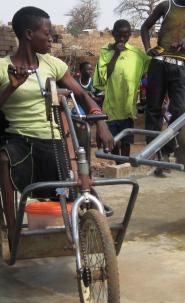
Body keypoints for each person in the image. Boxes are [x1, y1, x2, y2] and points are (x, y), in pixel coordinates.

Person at [0, 6, 114, 243]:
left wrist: (100, 120)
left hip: (52, 139)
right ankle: (12, 230)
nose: (51, 39)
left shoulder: (52, 64)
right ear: (29, 34)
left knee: (74, 180)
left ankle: (87, 227)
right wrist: (12, 86)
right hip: (18, 138)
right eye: (47, 33)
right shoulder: (3, 67)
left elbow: (82, 94)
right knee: (3, 159)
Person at [141, 0, 185, 176]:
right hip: (159, 63)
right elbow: (145, 27)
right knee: (153, 109)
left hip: (180, 65)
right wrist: (147, 49)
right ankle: (155, 154)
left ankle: (166, 150)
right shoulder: (165, 6)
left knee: (181, 108)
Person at [93, 20, 150, 157]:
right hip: (110, 109)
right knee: (112, 142)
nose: (122, 39)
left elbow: (147, 72)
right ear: (113, 34)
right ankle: (117, 163)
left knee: (126, 142)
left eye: (125, 35)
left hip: (127, 109)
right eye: (119, 35)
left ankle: (123, 164)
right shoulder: (106, 52)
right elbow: (103, 78)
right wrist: (116, 55)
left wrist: (143, 92)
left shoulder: (138, 55)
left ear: (130, 35)